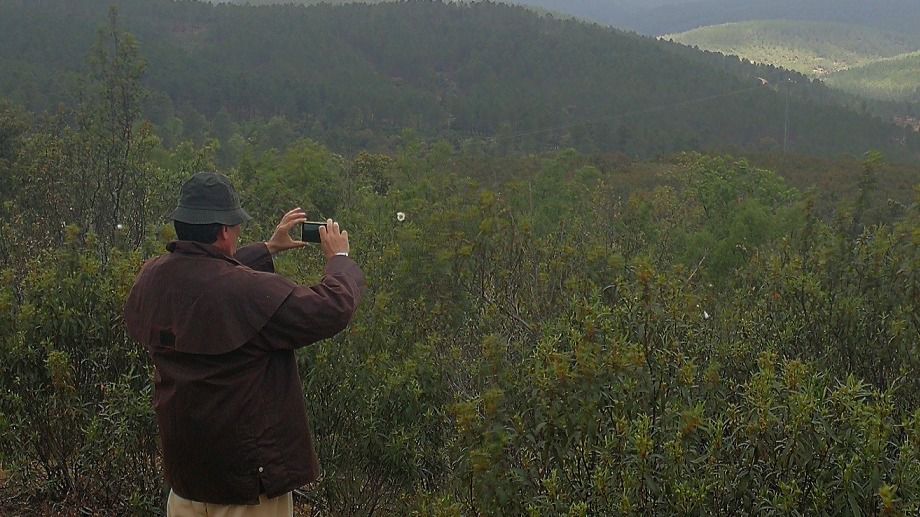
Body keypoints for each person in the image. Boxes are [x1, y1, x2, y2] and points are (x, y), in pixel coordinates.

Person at [123, 172, 365, 516]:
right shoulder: (246, 294)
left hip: (186, 486)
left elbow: (206, 278)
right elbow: (331, 309)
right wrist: (339, 260)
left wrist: (267, 248)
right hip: (248, 490)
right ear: (224, 231)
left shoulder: (152, 278)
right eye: (235, 227)